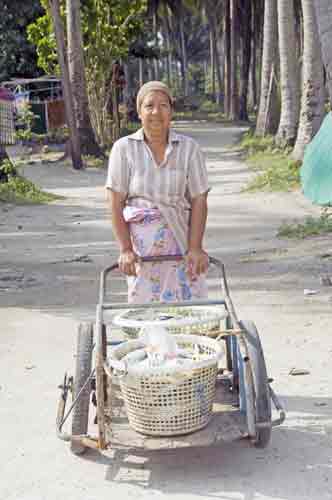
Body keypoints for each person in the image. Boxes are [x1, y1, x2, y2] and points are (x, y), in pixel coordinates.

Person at [106, 80, 210, 303]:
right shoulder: (123, 148)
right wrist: (125, 250)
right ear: (139, 112)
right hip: (141, 252)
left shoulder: (189, 148)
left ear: (171, 111)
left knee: (190, 308)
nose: (156, 112)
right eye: (149, 105)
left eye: (164, 105)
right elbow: (115, 203)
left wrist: (195, 248)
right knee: (146, 312)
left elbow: (199, 200)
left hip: (181, 242)